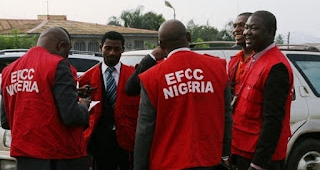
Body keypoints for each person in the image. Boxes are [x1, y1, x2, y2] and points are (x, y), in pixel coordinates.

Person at [134, 19, 232, 170]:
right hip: (209, 160)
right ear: (189, 36)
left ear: (161, 45)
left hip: (167, 161)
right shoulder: (217, 68)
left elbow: (145, 130)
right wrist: (225, 154)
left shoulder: (152, 77)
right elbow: (227, 116)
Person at [0, 27, 90, 170]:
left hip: (25, 157)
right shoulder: (58, 64)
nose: (67, 56)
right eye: (68, 50)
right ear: (60, 46)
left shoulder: (8, 71)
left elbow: (6, 121)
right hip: (59, 156)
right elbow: (71, 116)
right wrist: (84, 106)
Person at [230, 11, 293, 170]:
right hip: (242, 150)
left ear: (270, 33)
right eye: (247, 28)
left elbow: (273, 121)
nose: (247, 32)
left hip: (258, 158)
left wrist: (258, 164)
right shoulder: (254, 59)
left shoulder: (276, 67)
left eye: (254, 28)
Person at [79, 31, 140, 170]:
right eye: (108, 48)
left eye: (117, 49)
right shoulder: (87, 78)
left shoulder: (134, 77)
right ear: (101, 48)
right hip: (99, 141)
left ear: (123, 50)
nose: (112, 53)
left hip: (128, 140)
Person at [228, 12, 253, 97]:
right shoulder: (234, 61)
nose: (236, 30)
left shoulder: (262, 60)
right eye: (234, 26)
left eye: (242, 25)